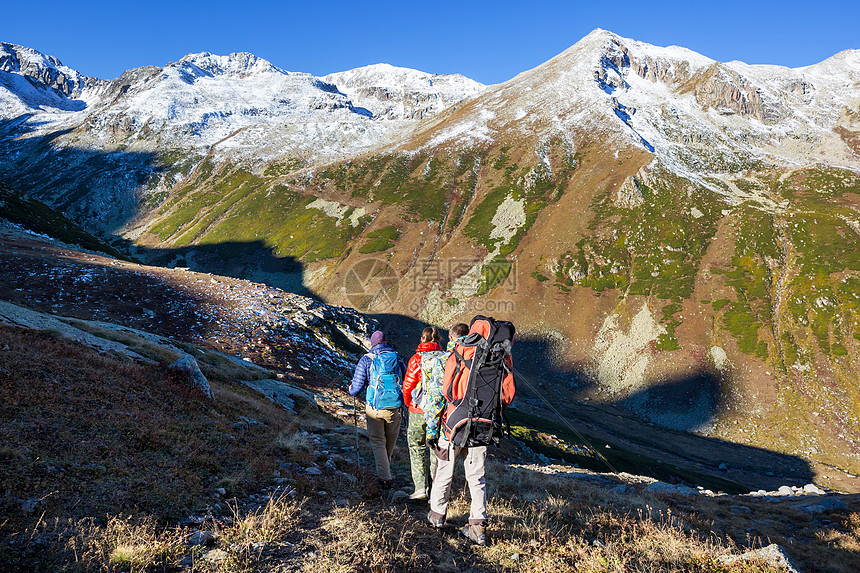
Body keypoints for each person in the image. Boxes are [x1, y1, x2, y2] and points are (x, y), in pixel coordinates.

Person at [427, 318, 515, 546]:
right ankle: (477, 527)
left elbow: (447, 390)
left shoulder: (461, 351)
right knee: (477, 477)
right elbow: (507, 396)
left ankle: (436, 516)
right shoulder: (501, 357)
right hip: (484, 422)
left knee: (445, 469)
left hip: (455, 422)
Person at [348, 330, 406, 489]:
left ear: (372, 343)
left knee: (378, 442)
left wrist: (351, 389)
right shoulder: (396, 358)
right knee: (390, 440)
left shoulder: (366, 359)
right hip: (394, 408)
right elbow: (406, 381)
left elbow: (356, 388)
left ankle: (385, 478)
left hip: (374, 408)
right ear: (386, 342)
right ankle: (385, 468)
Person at [402, 326, 445, 500]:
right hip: (439, 411)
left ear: (422, 339)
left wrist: (409, 403)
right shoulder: (445, 358)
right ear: (439, 341)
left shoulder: (416, 359)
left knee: (416, 447)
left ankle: (420, 488)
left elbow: (408, 385)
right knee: (436, 448)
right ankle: (436, 490)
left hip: (418, 409)